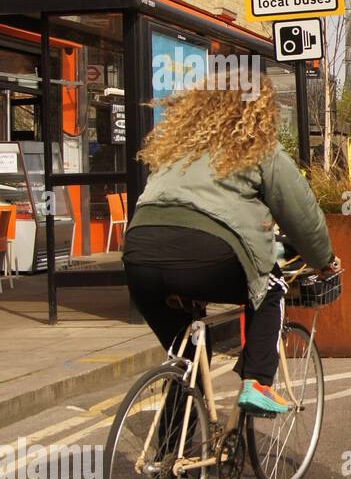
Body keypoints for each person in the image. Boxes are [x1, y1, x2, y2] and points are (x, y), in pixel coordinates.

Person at [123, 75, 339, 418]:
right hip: (208, 252)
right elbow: (301, 214)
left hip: (139, 256)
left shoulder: (177, 149)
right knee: (271, 287)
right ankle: (257, 383)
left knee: (187, 361)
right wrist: (324, 261)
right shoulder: (259, 146)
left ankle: (169, 463)